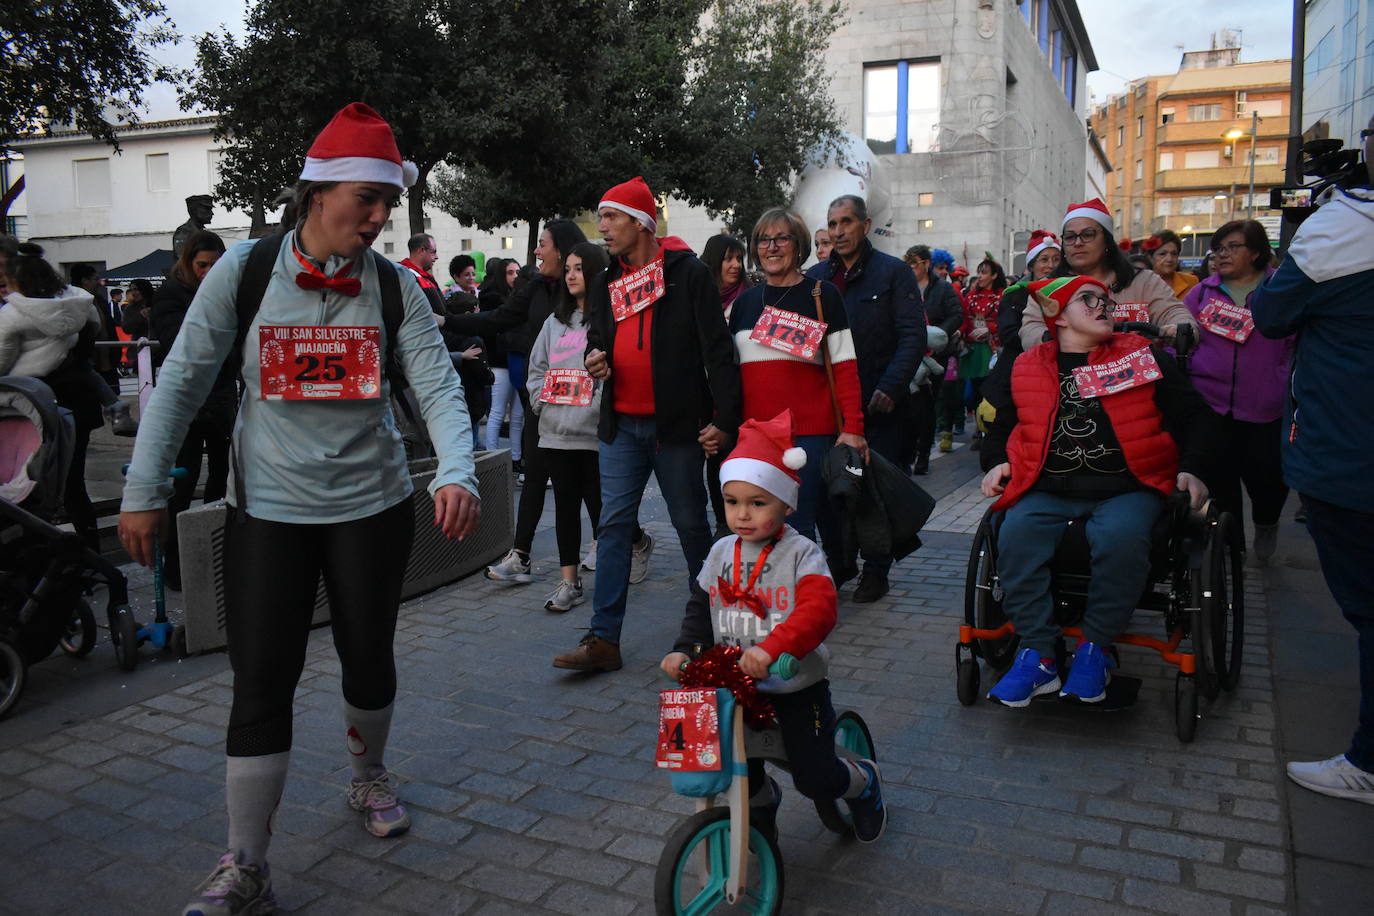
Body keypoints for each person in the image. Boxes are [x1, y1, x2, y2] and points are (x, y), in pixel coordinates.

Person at [118, 102, 481, 915]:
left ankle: (366, 775)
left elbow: (436, 385)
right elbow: (179, 380)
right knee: (262, 681)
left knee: (367, 657)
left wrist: (459, 469)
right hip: (269, 512)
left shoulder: (394, 288)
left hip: (372, 507)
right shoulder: (244, 272)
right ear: (316, 193)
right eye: (367, 198)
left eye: (390, 202)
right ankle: (245, 864)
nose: (382, 217)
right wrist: (143, 490)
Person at [980, 276, 1213, 706]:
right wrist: (996, 459)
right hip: (1048, 486)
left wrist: (1194, 470)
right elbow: (1001, 425)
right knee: (1013, 532)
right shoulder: (1028, 364)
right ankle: (1040, 654)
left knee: (1120, 538)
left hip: (1127, 487)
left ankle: (1096, 648)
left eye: (1106, 300)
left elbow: (1196, 416)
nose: (1104, 306)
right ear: (1058, 316)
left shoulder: (1141, 355)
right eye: (1088, 300)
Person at [660, 411, 887, 842]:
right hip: (734, 685)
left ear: (786, 504)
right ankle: (760, 805)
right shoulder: (723, 549)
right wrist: (684, 649)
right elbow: (700, 604)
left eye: (758, 503)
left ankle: (862, 782)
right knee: (733, 761)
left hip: (795, 687)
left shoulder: (802, 554)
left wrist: (774, 648)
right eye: (733, 502)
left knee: (816, 777)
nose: (743, 514)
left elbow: (817, 611)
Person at [559, 175, 741, 671]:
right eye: (602, 217)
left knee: (689, 527)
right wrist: (597, 354)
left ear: (641, 222)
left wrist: (724, 420)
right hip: (620, 426)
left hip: (676, 429)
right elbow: (599, 331)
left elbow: (718, 351)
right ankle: (603, 640)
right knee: (613, 528)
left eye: (612, 217)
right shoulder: (608, 279)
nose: (603, 227)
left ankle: (709, 631)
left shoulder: (688, 273)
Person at [1252, 118, 1374, 802]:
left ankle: (1370, 760)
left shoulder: (1346, 227)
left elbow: (1271, 314)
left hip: (1351, 453)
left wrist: (1328, 214)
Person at [806, 194, 925, 601]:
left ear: (865, 225)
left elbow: (913, 336)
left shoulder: (893, 274)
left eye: (846, 223)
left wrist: (891, 388)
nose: (838, 232)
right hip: (830, 405)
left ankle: (876, 570)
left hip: (879, 402)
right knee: (829, 488)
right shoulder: (816, 278)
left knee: (873, 490)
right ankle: (840, 562)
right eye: (832, 223)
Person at [730, 208, 865, 561]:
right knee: (763, 523)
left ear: (798, 245)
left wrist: (853, 428)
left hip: (810, 435)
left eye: (781, 239)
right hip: (757, 435)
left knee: (798, 524)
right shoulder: (744, 304)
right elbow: (729, 373)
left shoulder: (823, 296)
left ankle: (806, 599)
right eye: (764, 240)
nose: (772, 247)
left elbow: (845, 368)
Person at [1183, 220, 1291, 564]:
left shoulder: (1280, 291)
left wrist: (1280, 379)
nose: (1222, 254)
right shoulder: (1201, 293)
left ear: (1257, 252)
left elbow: (1296, 343)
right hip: (1210, 406)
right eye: (1219, 248)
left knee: (1268, 481)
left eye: (1233, 247)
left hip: (1264, 408)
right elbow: (1179, 335)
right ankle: (1231, 551)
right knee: (1221, 484)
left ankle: (1267, 522)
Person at [0, 243, 108, 546]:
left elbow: (1, 362)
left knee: (30, 486)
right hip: (77, 401)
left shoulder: (12, 316)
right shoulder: (80, 307)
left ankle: (38, 554)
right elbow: (89, 347)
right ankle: (90, 550)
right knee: (74, 484)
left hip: (30, 408)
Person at [526, 242, 610, 612]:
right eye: (569, 269)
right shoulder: (554, 322)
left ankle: (615, 570)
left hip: (591, 434)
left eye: (580, 269)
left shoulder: (607, 320)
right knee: (563, 508)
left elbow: (611, 372)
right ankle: (569, 582)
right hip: (555, 430)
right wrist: (541, 404)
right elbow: (537, 369)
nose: (572, 275)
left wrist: (593, 408)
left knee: (600, 507)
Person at [150, 230, 232, 591]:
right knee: (183, 481)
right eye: (202, 265)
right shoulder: (171, 293)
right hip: (188, 399)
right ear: (189, 263)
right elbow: (176, 343)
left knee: (220, 476)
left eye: (215, 265)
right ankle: (176, 565)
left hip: (220, 396)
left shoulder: (227, 289)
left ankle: (213, 557)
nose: (208, 271)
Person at [1020, 199, 1195, 352]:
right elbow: (1031, 329)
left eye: (1088, 235)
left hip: (1138, 380)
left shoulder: (1144, 281)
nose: (1078, 243)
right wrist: (1051, 340)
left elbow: (1173, 312)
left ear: (1107, 241)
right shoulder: (1047, 287)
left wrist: (1179, 329)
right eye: (1070, 237)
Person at [700, 232, 752, 535]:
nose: (735, 265)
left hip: (740, 401)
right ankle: (723, 523)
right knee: (713, 465)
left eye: (739, 259)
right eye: (728, 259)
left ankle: (733, 524)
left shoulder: (748, 299)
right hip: (704, 399)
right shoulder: (701, 299)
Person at [904, 244, 962, 474]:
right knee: (909, 404)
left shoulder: (943, 289)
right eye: (907, 263)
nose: (910, 268)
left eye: (914, 263)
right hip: (909, 353)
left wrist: (937, 336)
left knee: (928, 406)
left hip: (936, 355)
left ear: (926, 264)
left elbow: (956, 314)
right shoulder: (904, 287)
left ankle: (924, 455)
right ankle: (908, 451)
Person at [955, 256, 1006, 451]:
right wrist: (959, 332)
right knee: (972, 394)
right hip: (972, 349)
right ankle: (979, 426)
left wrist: (990, 330)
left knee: (988, 389)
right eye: (979, 272)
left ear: (994, 275)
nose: (980, 276)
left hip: (991, 348)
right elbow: (964, 319)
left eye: (984, 272)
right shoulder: (971, 295)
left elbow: (1004, 321)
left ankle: (985, 430)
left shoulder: (1001, 295)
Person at [1144, 230, 1198, 298]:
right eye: (1162, 254)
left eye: (1174, 254)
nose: (1169, 259)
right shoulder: (1141, 284)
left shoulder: (1191, 282)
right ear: (1150, 257)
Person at [399, 232, 445, 313]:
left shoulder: (425, 277)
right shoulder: (404, 275)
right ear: (422, 250)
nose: (436, 257)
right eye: (433, 252)